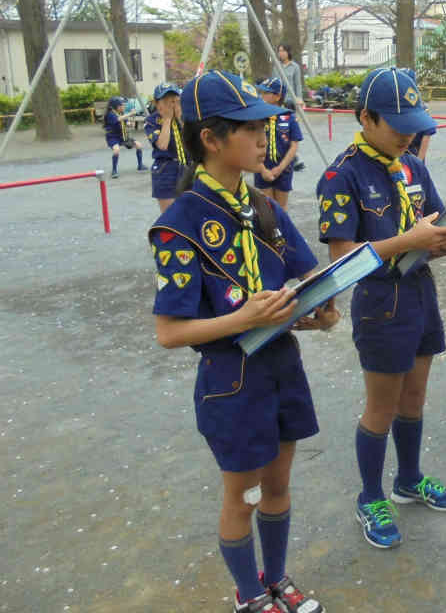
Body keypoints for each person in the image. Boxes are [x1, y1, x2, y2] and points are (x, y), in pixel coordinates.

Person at [150, 70, 338, 613]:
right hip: (231, 381)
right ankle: (249, 594)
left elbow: (304, 276)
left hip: (281, 364)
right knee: (244, 495)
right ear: (210, 138)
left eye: (266, 127)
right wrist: (242, 318)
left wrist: (316, 311)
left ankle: (276, 578)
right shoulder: (181, 223)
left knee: (277, 486)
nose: (265, 139)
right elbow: (169, 332)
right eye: (251, 129)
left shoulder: (263, 207)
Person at [316, 67, 446, 549]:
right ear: (365, 117)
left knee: (415, 399)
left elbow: (435, 225)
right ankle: (369, 496)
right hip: (380, 304)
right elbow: (341, 260)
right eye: (397, 124)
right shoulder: (342, 175)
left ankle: (409, 479)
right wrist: (410, 239)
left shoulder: (413, 166)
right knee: (381, 407)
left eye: (414, 124)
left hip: (420, 292)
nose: (408, 134)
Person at [253, 78, 302, 211]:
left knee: (281, 208)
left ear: (277, 96)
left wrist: (280, 168)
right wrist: (262, 170)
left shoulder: (289, 117)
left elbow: (294, 145)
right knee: (266, 208)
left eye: (265, 93)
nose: (260, 96)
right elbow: (252, 144)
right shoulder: (257, 117)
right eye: (260, 92)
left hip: (284, 169)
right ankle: (269, 232)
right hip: (262, 167)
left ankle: (282, 231)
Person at [144, 82, 187, 211]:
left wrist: (180, 119)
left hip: (187, 167)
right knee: (171, 216)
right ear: (157, 104)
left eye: (174, 100)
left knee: (191, 212)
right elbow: (162, 145)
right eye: (166, 101)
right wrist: (167, 120)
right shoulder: (152, 121)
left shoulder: (185, 118)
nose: (171, 104)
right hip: (166, 169)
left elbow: (193, 141)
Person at [275, 44, 306, 172]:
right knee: (282, 131)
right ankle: (293, 158)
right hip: (278, 103)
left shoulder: (295, 67)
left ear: (288, 52)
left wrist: (299, 101)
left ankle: (294, 158)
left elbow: (298, 85)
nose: (281, 53)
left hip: (290, 103)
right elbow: (274, 83)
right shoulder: (276, 67)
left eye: (283, 51)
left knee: (290, 131)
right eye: (279, 51)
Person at [103, 96, 145, 178]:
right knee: (116, 150)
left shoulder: (120, 113)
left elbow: (126, 122)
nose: (124, 107)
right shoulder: (110, 114)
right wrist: (130, 114)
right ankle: (114, 171)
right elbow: (118, 119)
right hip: (113, 137)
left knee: (139, 145)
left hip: (123, 136)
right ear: (116, 106)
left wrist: (130, 123)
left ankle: (140, 165)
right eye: (122, 105)